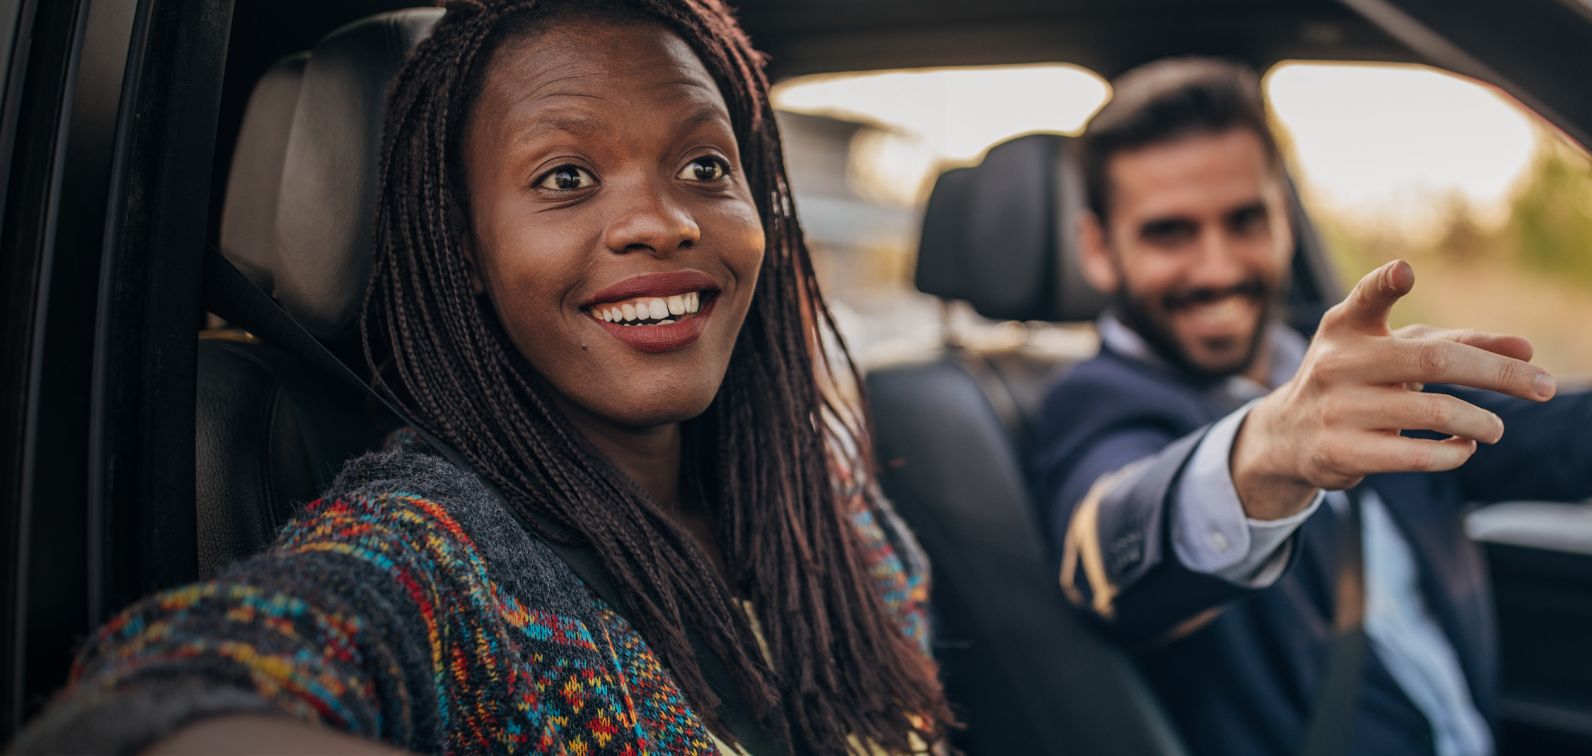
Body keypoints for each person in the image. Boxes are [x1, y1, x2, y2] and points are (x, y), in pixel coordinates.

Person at [11, 0, 949, 753]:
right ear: (462, 246)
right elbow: (201, 685)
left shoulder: (826, 513)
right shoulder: (437, 550)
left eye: (706, 163)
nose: (663, 223)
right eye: (566, 177)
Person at [1032, 58, 1592, 756]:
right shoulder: (1092, 405)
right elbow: (1106, 555)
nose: (1219, 265)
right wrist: (1268, 447)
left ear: (1282, 219)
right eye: (1170, 233)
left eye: (1245, 221)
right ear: (1098, 249)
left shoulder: (1341, 361)